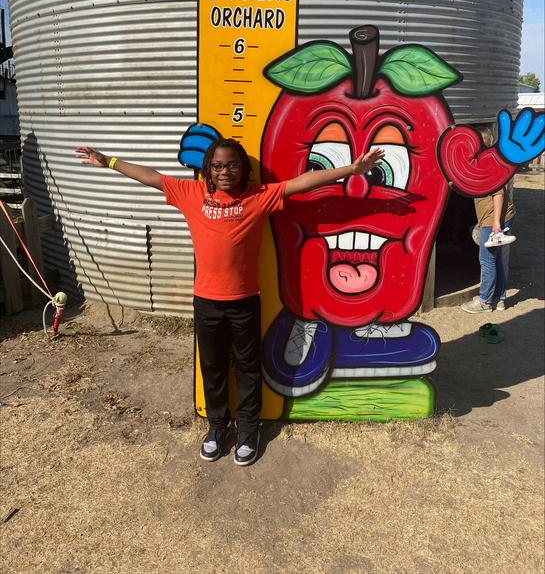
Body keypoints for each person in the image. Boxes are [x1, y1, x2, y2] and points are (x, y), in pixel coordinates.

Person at [75, 138, 383, 465]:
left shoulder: (259, 196)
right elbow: (151, 176)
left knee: (248, 368)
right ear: (208, 169)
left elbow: (302, 183)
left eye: (232, 165)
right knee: (213, 368)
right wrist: (108, 161)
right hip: (206, 302)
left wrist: (352, 169)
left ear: (243, 168)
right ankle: (217, 427)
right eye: (218, 166)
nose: (225, 171)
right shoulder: (191, 193)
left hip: (244, 302)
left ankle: (248, 429)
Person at [462, 126, 516, 314]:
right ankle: (500, 299)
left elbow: (498, 194)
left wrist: (495, 224)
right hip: (501, 217)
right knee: (497, 259)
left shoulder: (488, 164)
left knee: (487, 259)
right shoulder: (490, 160)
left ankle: (485, 302)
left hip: (493, 220)